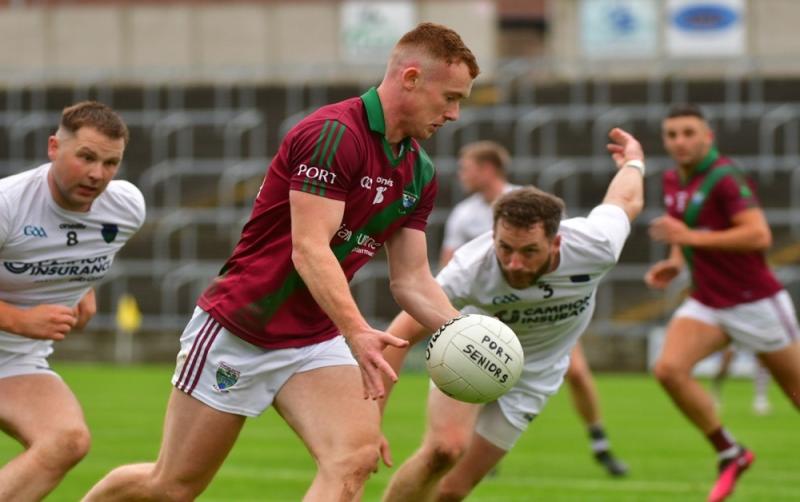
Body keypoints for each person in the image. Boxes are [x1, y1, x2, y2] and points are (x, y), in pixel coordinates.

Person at [84, 22, 478, 501]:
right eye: (450, 97)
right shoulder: (334, 134)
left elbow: (412, 279)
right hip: (242, 328)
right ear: (411, 78)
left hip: (314, 337)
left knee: (354, 459)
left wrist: (466, 337)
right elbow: (310, 247)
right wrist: (357, 332)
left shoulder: (420, 170)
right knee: (171, 487)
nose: (455, 114)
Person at [380, 127, 645, 501]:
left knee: (453, 490)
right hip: (469, 350)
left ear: (556, 241)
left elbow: (626, 199)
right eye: (505, 248)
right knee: (443, 452)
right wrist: (369, 422)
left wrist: (634, 161)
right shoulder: (471, 267)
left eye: (529, 252)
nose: (514, 263)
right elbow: (400, 334)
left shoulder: (595, 245)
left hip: (534, 375)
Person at [440, 140, 628, 476]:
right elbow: (448, 264)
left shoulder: (524, 201)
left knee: (577, 371)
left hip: (548, 312)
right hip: (492, 313)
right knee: (480, 371)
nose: (460, 175)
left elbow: (559, 247)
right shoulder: (463, 215)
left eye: (465, 167)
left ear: (487, 169)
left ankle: (598, 439)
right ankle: (473, 445)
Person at [646, 104, 800, 502]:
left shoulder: (726, 178)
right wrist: (675, 263)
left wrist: (689, 239)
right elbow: (687, 232)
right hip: (707, 302)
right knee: (668, 369)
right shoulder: (671, 179)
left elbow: (759, 236)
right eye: (672, 134)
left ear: (707, 137)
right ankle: (731, 452)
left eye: (688, 133)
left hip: (756, 301)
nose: (680, 141)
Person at [0, 101, 145, 501]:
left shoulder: (127, 207)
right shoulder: (8, 204)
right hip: (17, 337)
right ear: (53, 148)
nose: (97, 174)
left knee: (66, 440)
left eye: (110, 163)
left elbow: (77, 245)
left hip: (13, 362)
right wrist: (18, 320)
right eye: (86, 157)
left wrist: (83, 284)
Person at [711, 347, 772, 415]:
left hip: (754, 337)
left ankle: (760, 399)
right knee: (726, 363)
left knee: (762, 360)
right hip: (735, 338)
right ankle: (715, 393)